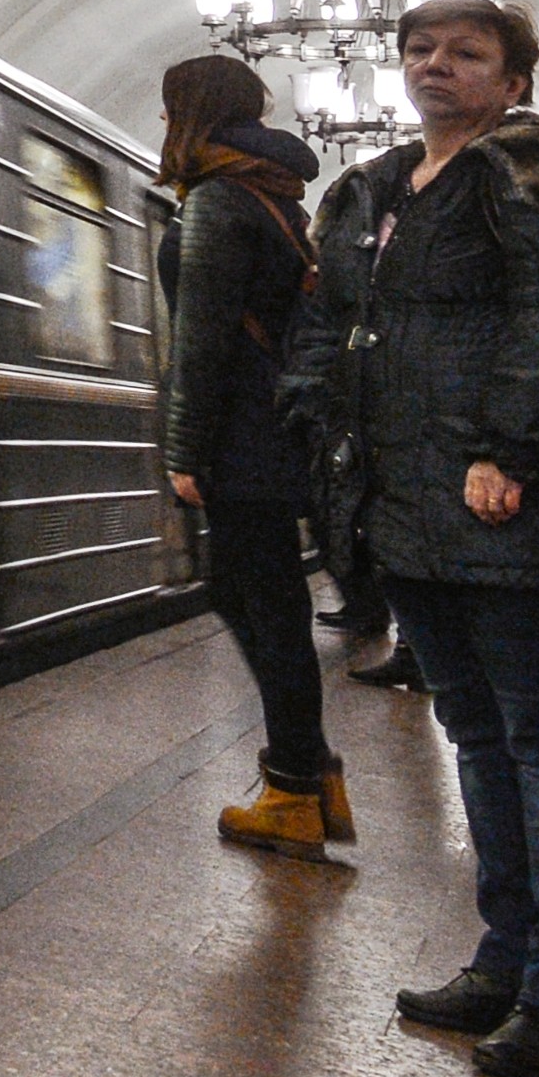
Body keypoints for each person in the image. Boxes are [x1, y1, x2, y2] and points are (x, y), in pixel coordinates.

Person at [283, 0, 539, 1077]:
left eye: (467, 53)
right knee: (481, 742)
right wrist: (319, 426)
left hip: (526, 511)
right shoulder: (373, 189)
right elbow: (327, 326)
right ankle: (507, 960)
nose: (437, 65)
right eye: (420, 50)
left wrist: (513, 451)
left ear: (516, 79)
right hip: (413, 514)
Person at [156, 57, 345, 856]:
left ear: (187, 113)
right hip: (277, 430)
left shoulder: (213, 201)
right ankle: (310, 778)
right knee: (262, 604)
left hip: (239, 437)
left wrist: (183, 449)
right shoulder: (273, 195)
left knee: (257, 607)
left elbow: (200, 340)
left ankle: (296, 789)